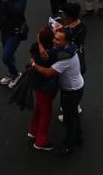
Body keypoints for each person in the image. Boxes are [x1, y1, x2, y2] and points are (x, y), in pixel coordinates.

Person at [28, 27, 85, 156]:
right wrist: (42, 43)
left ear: (66, 41)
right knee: (72, 114)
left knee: (69, 119)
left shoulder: (63, 58)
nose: (54, 41)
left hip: (71, 91)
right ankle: (78, 137)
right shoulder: (69, 48)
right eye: (54, 37)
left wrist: (34, 64)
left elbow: (48, 73)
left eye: (58, 39)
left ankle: (68, 146)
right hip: (74, 87)